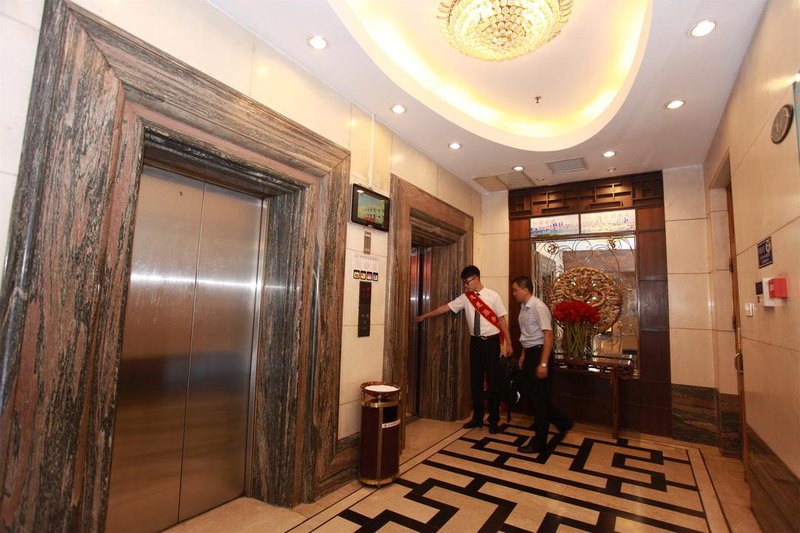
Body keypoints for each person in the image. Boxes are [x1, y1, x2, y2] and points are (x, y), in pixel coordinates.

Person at [416, 265, 512, 434]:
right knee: (475, 381)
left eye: (467, 282)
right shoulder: (466, 298)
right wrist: (425, 316)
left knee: (492, 382)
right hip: (475, 343)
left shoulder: (493, 296)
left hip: (491, 343)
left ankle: (494, 420)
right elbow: (446, 308)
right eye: (464, 283)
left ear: (476, 279)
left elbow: (502, 320)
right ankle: (477, 418)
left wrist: (509, 343)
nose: (466, 286)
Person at [511, 276, 572, 454]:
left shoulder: (539, 307)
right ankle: (563, 422)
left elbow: (548, 336)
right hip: (530, 354)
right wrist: (523, 355)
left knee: (539, 400)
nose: (514, 293)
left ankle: (539, 442)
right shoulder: (523, 308)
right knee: (532, 396)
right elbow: (527, 334)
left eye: (515, 290)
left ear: (525, 290)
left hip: (540, 354)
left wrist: (543, 363)